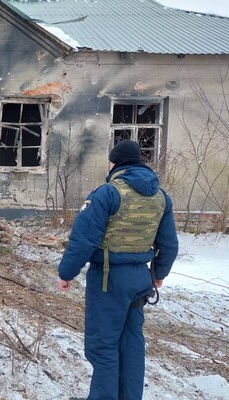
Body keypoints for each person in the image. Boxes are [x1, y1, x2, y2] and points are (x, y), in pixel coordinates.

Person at [57, 140, 178, 400]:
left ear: (115, 163)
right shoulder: (161, 197)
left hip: (108, 279)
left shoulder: (107, 194)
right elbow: (169, 243)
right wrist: (159, 274)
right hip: (140, 279)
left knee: (103, 346)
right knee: (131, 344)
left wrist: (66, 273)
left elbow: (83, 240)